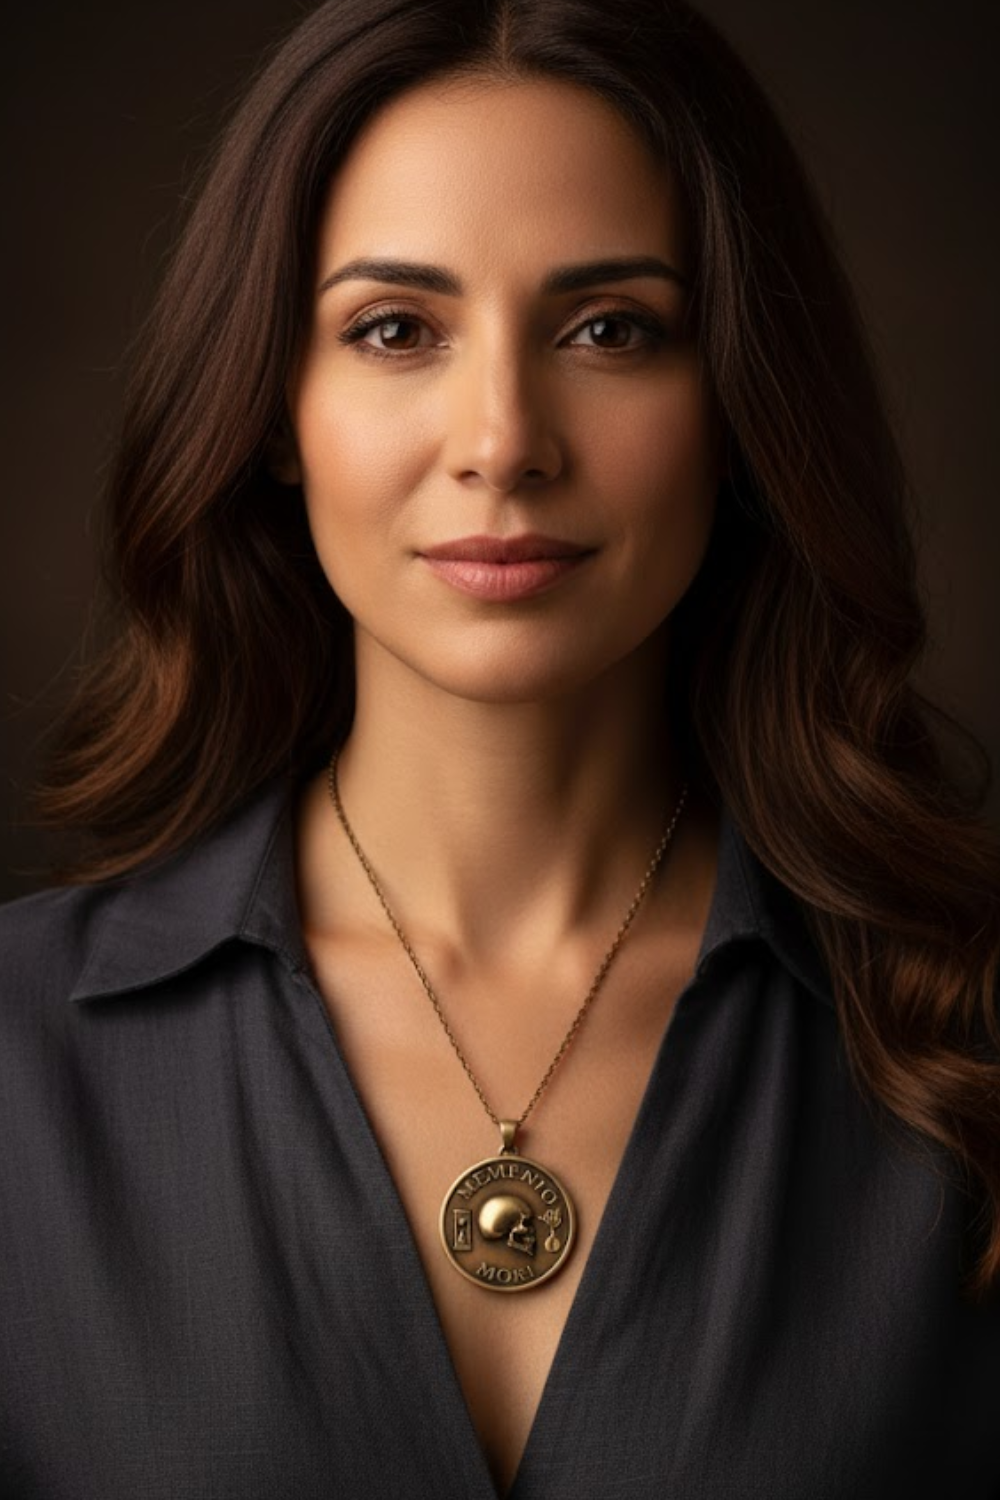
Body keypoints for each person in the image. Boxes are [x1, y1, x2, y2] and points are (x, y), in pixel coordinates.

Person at [2, 0, 998, 1495]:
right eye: (396, 329)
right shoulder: (17, 1056)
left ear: (736, 400)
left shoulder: (963, 1048)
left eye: (610, 330)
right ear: (276, 408)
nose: (503, 438)